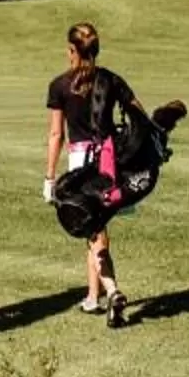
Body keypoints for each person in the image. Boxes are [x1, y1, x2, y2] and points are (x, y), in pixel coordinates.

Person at [44, 20, 136, 327]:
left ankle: (111, 290)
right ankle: (92, 298)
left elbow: (56, 135)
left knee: (93, 229)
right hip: (111, 159)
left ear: (72, 50)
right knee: (95, 230)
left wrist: (49, 177)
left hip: (81, 162)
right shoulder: (110, 79)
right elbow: (137, 112)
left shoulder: (59, 85)